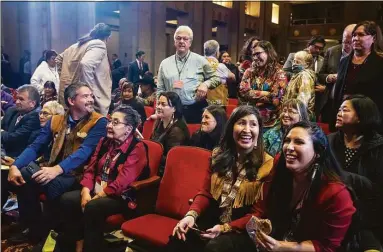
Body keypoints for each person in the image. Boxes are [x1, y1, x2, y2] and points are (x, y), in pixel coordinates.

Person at [7, 82, 107, 244]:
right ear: (71, 101)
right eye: (85, 96)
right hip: (54, 169)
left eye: (91, 95)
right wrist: (15, 166)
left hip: (80, 174)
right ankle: (32, 227)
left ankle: (49, 234)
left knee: (52, 184)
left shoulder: (99, 122)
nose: (91, 99)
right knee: (24, 174)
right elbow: (35, 146)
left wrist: (57, 169)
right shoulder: (56, 120)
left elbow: (85, 152)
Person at [168, 105, 274, 252]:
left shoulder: (267, 164)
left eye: (253, 124)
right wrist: (191, 215)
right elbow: (205, 192)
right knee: (180, 234)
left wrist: (225, 228)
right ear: (231, 128)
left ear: (259, 132)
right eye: (242, 123)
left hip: (244, 229)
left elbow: (258, 214)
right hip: (215, 218)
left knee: (216, 247)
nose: (247, 130)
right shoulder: (218, 156)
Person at [254, 121, 355, 252]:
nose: (289, 147)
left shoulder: (337, 194)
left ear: (318, 152)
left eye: (299, 142)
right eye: (287, 140)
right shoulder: (280, 168)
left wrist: (281, 247)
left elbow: (326, 247)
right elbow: (262, 208)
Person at [60, 105, 149, 252]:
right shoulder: (104, 142)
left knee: (92, 207)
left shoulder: (137, 148)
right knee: (67, 200)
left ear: (129, 128)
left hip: (120, 196)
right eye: (109, 121)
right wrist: (85, 192)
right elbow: (90, 169)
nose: (109, 125)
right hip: (96, 190)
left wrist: (98, 196)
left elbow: (123, 182)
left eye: (115, 122)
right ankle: (77, 244)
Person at [328, 95, 383, 250]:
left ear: (361, 117)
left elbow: (376, 189)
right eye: (339, 109)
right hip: (331, 212)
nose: (339, 113)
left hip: (366, 219)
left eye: (345, 110)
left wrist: (341, 176)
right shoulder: (330, 141)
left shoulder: (378, 148)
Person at [157, 25, 221, 123]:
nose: (181, 41)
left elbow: (216, 78)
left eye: (185, 39)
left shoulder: (201, 60)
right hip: (171, 111)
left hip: (194, 110)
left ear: (190, 42)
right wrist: (159, 109)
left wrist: (205, 84)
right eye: (178, 38)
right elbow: (160, 90)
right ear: (174, 42)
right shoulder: (164, 63)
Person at [333, 21, 383, 129]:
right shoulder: (344, 61)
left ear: (373, 38)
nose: (355, 38)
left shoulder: (379, 63)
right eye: (354, 35)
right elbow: (338, 91)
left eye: (361, 35)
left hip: (368, 121)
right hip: (343, 118)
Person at [56, 23, 112, 116]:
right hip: (90, 103)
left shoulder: (75, 46)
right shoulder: (99, 44)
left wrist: (66, 79)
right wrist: (88, 93)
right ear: (107, 37)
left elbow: (58, 59)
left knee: (72, 128)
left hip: (70, 97)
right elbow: (86, 64)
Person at [239, 40, 288, 130]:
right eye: (253, 55)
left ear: (268, 52)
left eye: (258, 54)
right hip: (251, 120)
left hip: (272, 124)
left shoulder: (279, 72)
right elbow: (243, 92)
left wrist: (252, 93)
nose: (255, 58)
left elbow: (277, 98)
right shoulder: (249, 71)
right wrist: (267, 93)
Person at [317, 24, 356, 123]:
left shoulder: (359, 55)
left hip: (350, 105)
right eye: (344, 42)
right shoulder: (331, 51)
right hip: (330, 102)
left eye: (349, 42)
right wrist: (329, 77)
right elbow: (321, 75)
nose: (346, 45)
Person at [150, 91, 189, 175]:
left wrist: (152, 154)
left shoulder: (177, 130)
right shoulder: (159, 122)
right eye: (158, 103)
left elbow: (172, 158)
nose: (159, 107)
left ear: (174, 108)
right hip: (156, 164)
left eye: (163, 104)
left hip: (169, 171)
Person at [1, 85, 40, 158]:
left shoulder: (36, 117)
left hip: (17, 157)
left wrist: (2, 132)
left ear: (32, 103)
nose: (16, 102)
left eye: (21, 99)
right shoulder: (12, 110)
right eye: (17, 98)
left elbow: (14, 138)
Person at [282, 51, 316, 119]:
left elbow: (303, 100)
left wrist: (297, 116)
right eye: (294, 61)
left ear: (307, 64)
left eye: (298, 62)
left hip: (300, 116)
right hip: (292, 112)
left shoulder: (305, 76)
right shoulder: (297, 74)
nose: (294, 64)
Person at [204, 40, 235, 105]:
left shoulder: (198, 64)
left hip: (201, 103)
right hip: (217, 103)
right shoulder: (220, 66)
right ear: (217, 52)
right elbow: (233, 77)